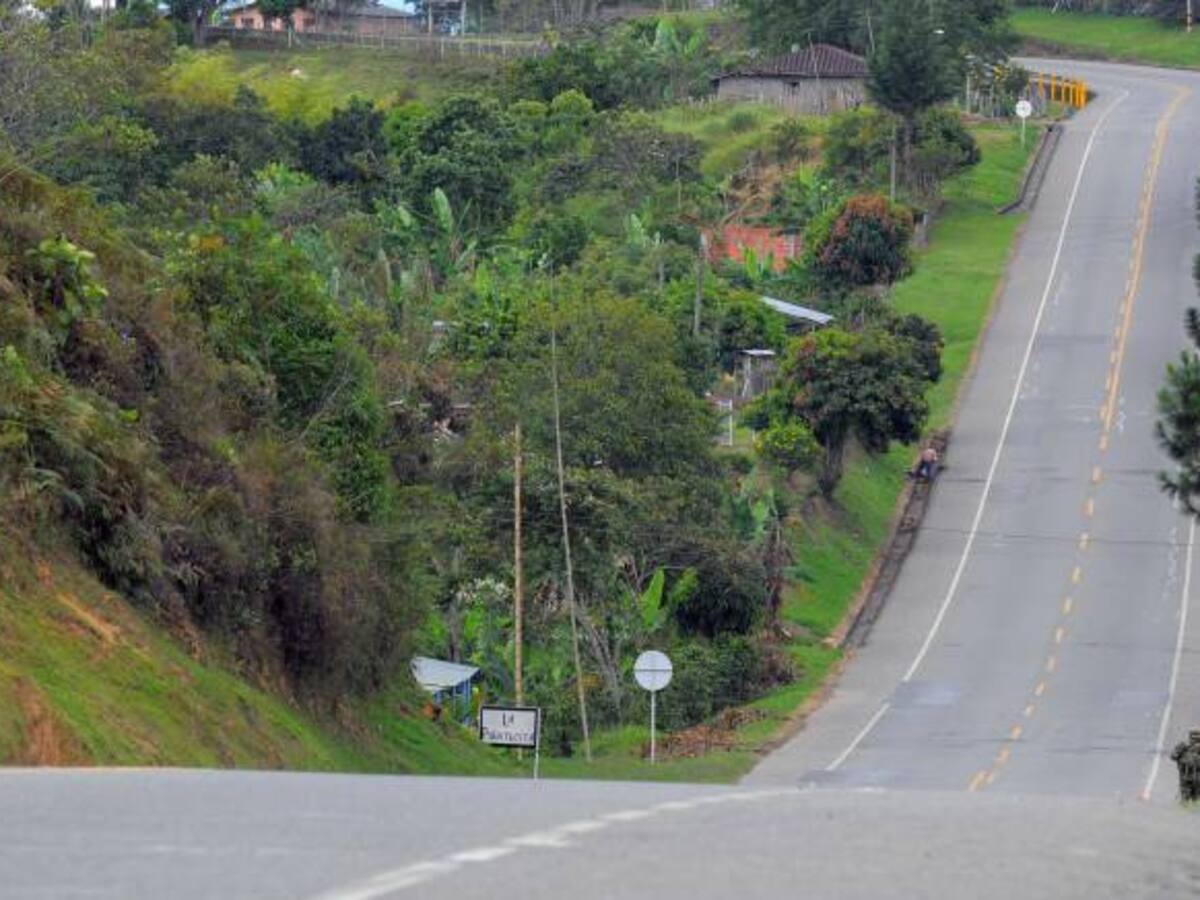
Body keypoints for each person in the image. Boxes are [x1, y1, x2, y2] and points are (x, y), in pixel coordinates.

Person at [1171, 729, 1200, 802]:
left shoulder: (1184, 745)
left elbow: (1173, 756)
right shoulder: (1184, 746)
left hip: (1186, 776)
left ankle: (1186, 808)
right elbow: (1173, 756)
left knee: (1186, 797)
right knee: (1196, 798)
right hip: (1191, 776)